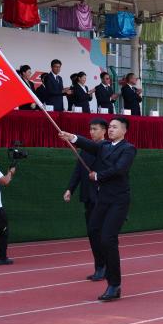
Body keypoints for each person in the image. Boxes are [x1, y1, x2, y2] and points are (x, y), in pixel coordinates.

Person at [60, 118, 137, 302]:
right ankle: (103, 267)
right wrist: (72, 137)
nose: (110, 130)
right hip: (103, 200)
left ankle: (114, 284)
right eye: (109, 127)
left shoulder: (128, 149)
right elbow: (88, 145)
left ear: (124, 131)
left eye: (114, 127)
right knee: (94, 230)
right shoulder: (105, 147)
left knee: (108, 238)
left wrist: (97, 176)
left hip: (118, 200)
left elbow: (119, 169)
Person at [64, 118, 108, 279]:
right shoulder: (85, 150)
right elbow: (78, 171)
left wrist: (73, 137)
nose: (92, 132)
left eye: (95, 129)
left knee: (101, 234)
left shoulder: (106, 147)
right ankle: (100, 266)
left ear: (104, 131)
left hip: (102, 197)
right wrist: (70, 189)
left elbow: (96, 149)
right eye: (90, 129)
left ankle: (105, 267)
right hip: (88, 197)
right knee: (92, 233)